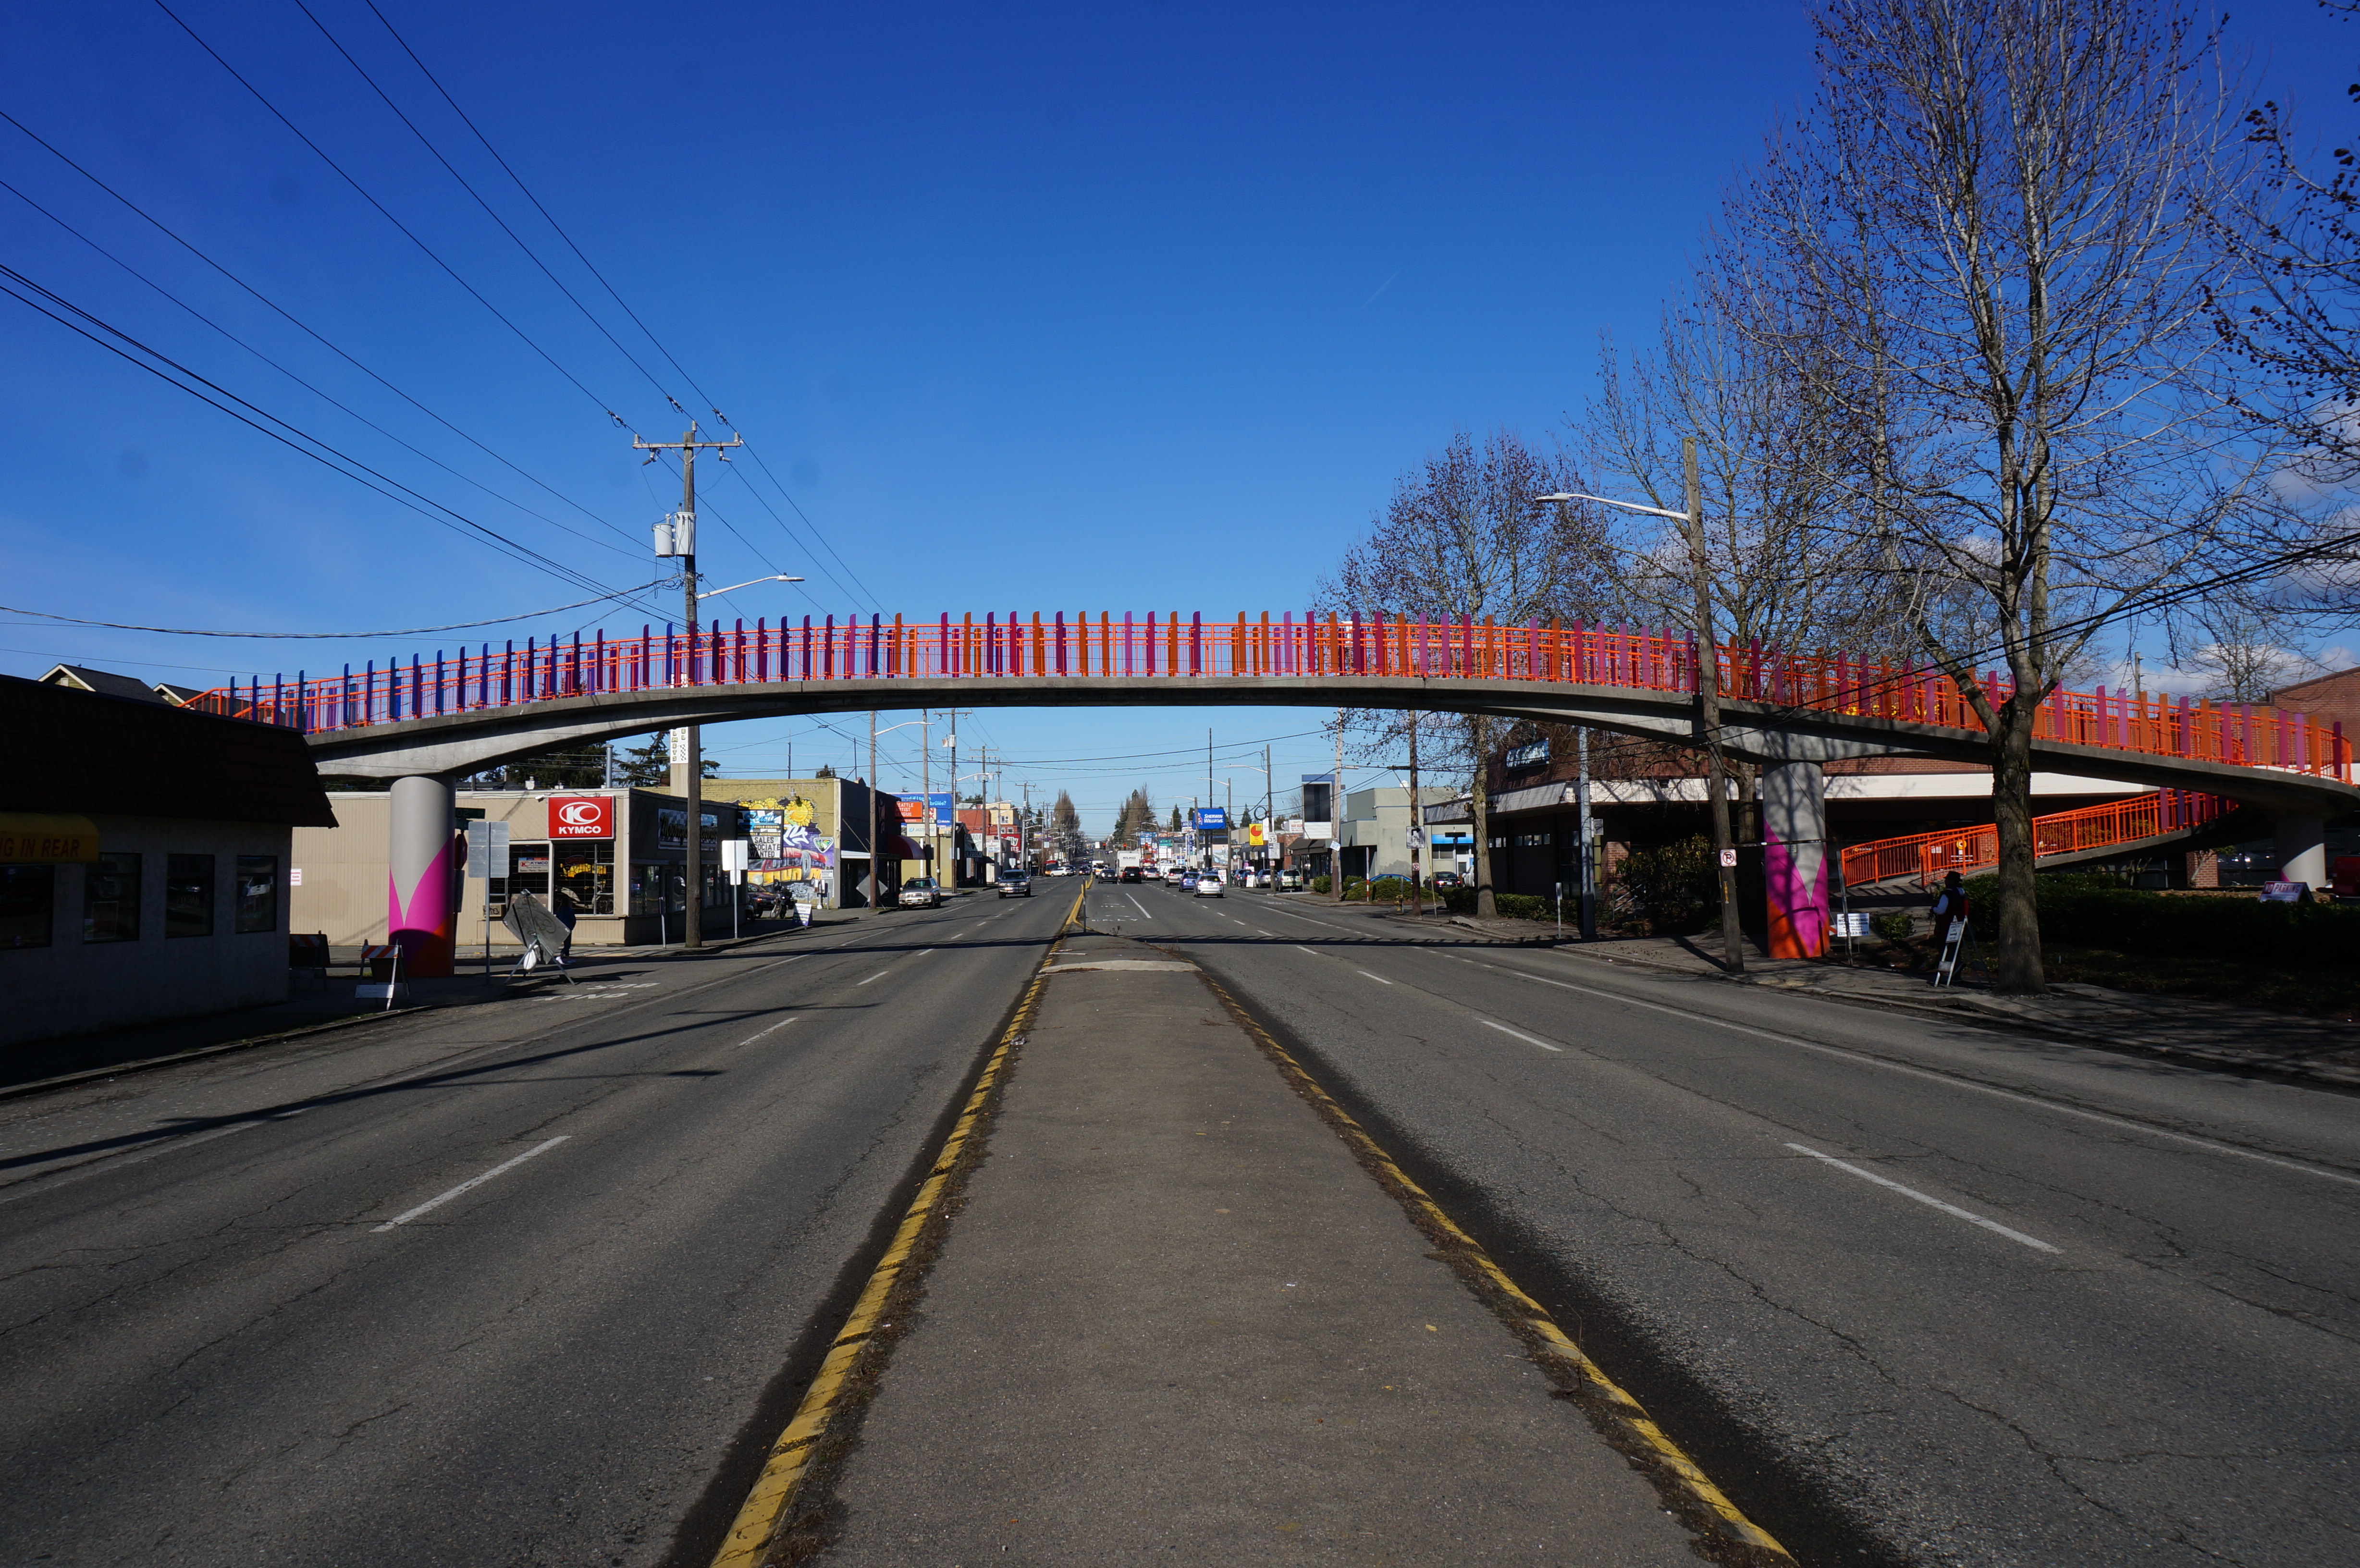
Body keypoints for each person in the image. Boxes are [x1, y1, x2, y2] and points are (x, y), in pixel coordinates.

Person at [1930, 870, 1968, 934]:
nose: (1945, 882)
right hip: (1960, 922)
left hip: (1946, 925)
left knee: (1943, 942)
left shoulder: (1947, 895)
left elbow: (1941, 911)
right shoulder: (1962, 893)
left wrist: (1933, 910)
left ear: (1950, 882)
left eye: (1947, 880)